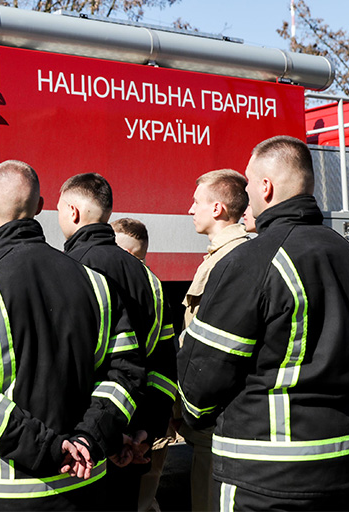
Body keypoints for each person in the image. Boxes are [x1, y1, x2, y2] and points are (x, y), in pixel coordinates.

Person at [178, 136, 349, 510]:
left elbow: (201, 377)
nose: (246, 194)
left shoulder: (251, 261)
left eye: (250, 184)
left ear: (266, 187)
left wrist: (195, 416)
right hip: (339, 467)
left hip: (262, 476)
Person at [0, 160, 145, 511]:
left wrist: (49, 447)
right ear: (40, 207)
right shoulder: (96, 284)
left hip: (1, 493)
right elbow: (125, 374)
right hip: (84, 484)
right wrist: (89, 438)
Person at [59, 175, 177, 512]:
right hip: (134, 444)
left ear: (73, 211)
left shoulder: (67, 271)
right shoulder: (149, 280)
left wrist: (99, 437)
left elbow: (63, 370)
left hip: (83, 447)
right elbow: (164, 366)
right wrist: (143, 433)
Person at [177, 169, 250, 511]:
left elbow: (211, 350)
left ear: (218, 208)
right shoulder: (227, 255)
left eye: (196, 202)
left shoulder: (226, 260)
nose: (190, 209)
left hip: (217, 418)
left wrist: (193, 409)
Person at [111, 216, 176, 512]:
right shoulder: (151, 289)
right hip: (129, 426)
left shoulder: (147, 290)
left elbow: (162, 365)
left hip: (136, 425)